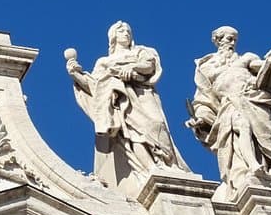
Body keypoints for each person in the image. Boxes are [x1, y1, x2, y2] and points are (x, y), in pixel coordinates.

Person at [66, 21, 188, 183]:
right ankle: (150, 168)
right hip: (120, 101)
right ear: (113, 36)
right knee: (133, 135)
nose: (126, 33)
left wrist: (131, 69)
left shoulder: (141, 51)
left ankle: (169, 164)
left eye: (128, 31)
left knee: (157, 124)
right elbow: (95, 86)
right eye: (121, 31)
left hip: (142, 94)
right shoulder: (103, 62)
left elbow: (149, 66)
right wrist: (75, 74)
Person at [186, 26, 271, 190]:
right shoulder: (206, 67)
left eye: (235, 39)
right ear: (218, 40)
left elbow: (264, 67)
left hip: (252, 100)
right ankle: (252, 166)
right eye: (229, 39)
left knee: (264, 139)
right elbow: (203, 98)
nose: (232, 43)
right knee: (241, 125)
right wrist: (201, 118)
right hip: (228, 104)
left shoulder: (246, 59)